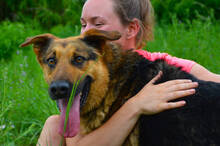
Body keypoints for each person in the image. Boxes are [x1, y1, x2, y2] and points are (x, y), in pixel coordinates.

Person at [37, 0, 220, 145]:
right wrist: (136, 105)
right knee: (53, 125)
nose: (84, 34)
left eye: (97, 23)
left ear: (131, 29)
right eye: (83, 24)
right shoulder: (85, 71)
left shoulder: (163, 63)